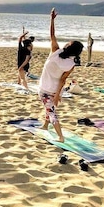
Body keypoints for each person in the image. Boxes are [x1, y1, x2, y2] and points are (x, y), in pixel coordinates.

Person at [38, 9, 83, 142]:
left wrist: (52, 19)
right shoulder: (71, 63)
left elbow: (52, 34)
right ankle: (45, 126)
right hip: (56, 90)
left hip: (45, 89)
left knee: (51, 112)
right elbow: (63, 81)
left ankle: (60, 137)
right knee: (49, 107)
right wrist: (57, 95)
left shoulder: (55, 51)